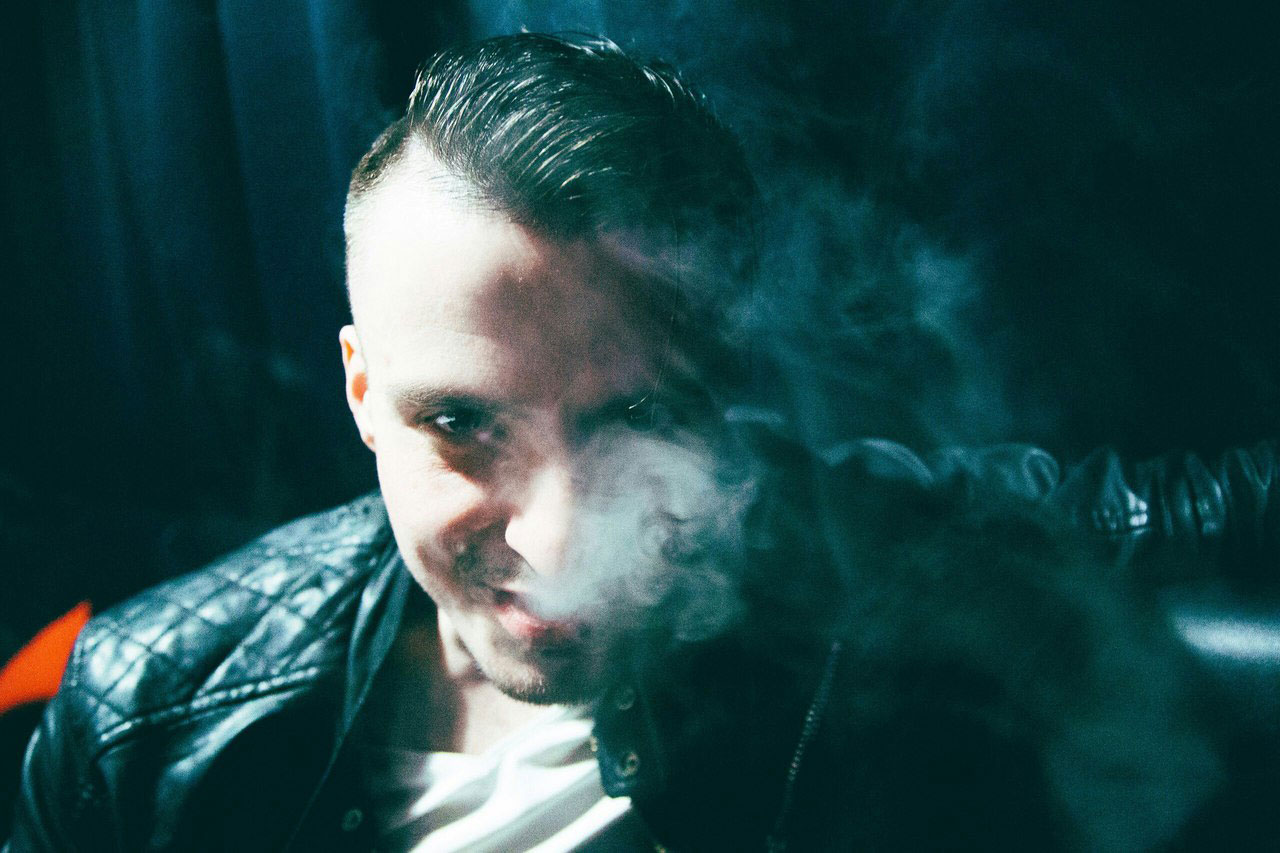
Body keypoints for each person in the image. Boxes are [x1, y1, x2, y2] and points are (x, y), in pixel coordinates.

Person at [7, 33, 1280, 852]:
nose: (558, 542)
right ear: (361, 389)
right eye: (462, 425)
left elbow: (1187, 514)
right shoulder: (142, 725)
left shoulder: (859, 556)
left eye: (636, 417)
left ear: (724, 394)